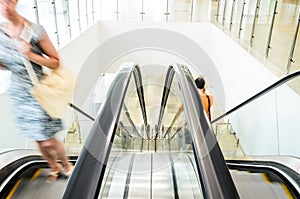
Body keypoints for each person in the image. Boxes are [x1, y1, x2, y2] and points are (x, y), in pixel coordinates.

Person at [0, 0, 73, 181]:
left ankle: (66, 163)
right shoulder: (0, 32)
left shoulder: (34, 30)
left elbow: (55, 62)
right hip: (19, 92)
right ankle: (53, 166)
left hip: (39, 90)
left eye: (7, 2)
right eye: (0, 3)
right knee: (38, 139)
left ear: (15, 2)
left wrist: (30, 54)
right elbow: (5, 64)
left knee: (47, 138)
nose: (4, 7)